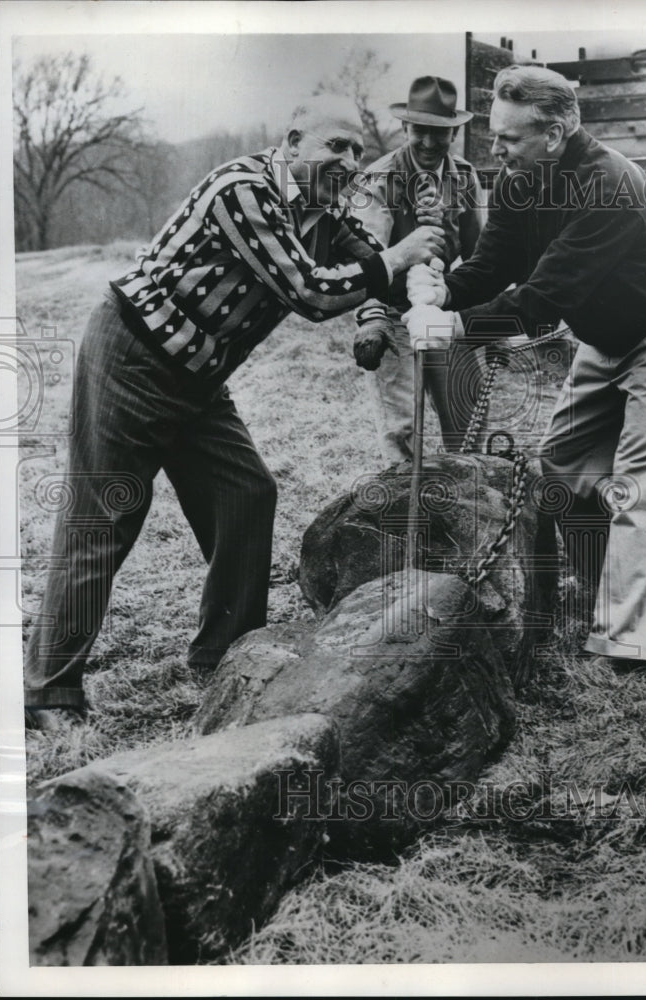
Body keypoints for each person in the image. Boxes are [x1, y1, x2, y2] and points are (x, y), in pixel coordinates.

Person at [24, 94, 444, 730]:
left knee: (247, 493)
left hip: (199, 376)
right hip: (134, 355)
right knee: (102, 519)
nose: (349, 161)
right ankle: (48, 692)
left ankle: (226, 656)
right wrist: (398, 257)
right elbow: (309, 291)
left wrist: (422, 251)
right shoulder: (241, 189)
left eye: (358, 150)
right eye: (336, 146)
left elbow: (369, 268)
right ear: (293, 140)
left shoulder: (325, 205)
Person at [403, 65, 646, 670]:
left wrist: (455, 327)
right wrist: (438, 294)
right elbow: (491, 268)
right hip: (605, 334)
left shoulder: (608, 185)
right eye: (493, 135)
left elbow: (543, 298)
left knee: (641, 490)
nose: (494, 150)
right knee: (564, 469)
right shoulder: (522, 180)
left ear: (556, 132)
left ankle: (626, 644)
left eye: (508, 139)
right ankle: (609, 588)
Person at [349, 76, 486, 463]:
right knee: (403, 432)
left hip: (443, 307)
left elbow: (481, 255)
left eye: (439, 133)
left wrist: (488, 321)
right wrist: (372, 320)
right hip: (392, 314)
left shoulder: (464, 177)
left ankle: (463, 511)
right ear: (405, 128)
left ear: (454, 133)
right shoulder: (378, 181)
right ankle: (404, 518)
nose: (429, 143)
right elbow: (368, 262)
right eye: (420, 131)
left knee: (469, 420)